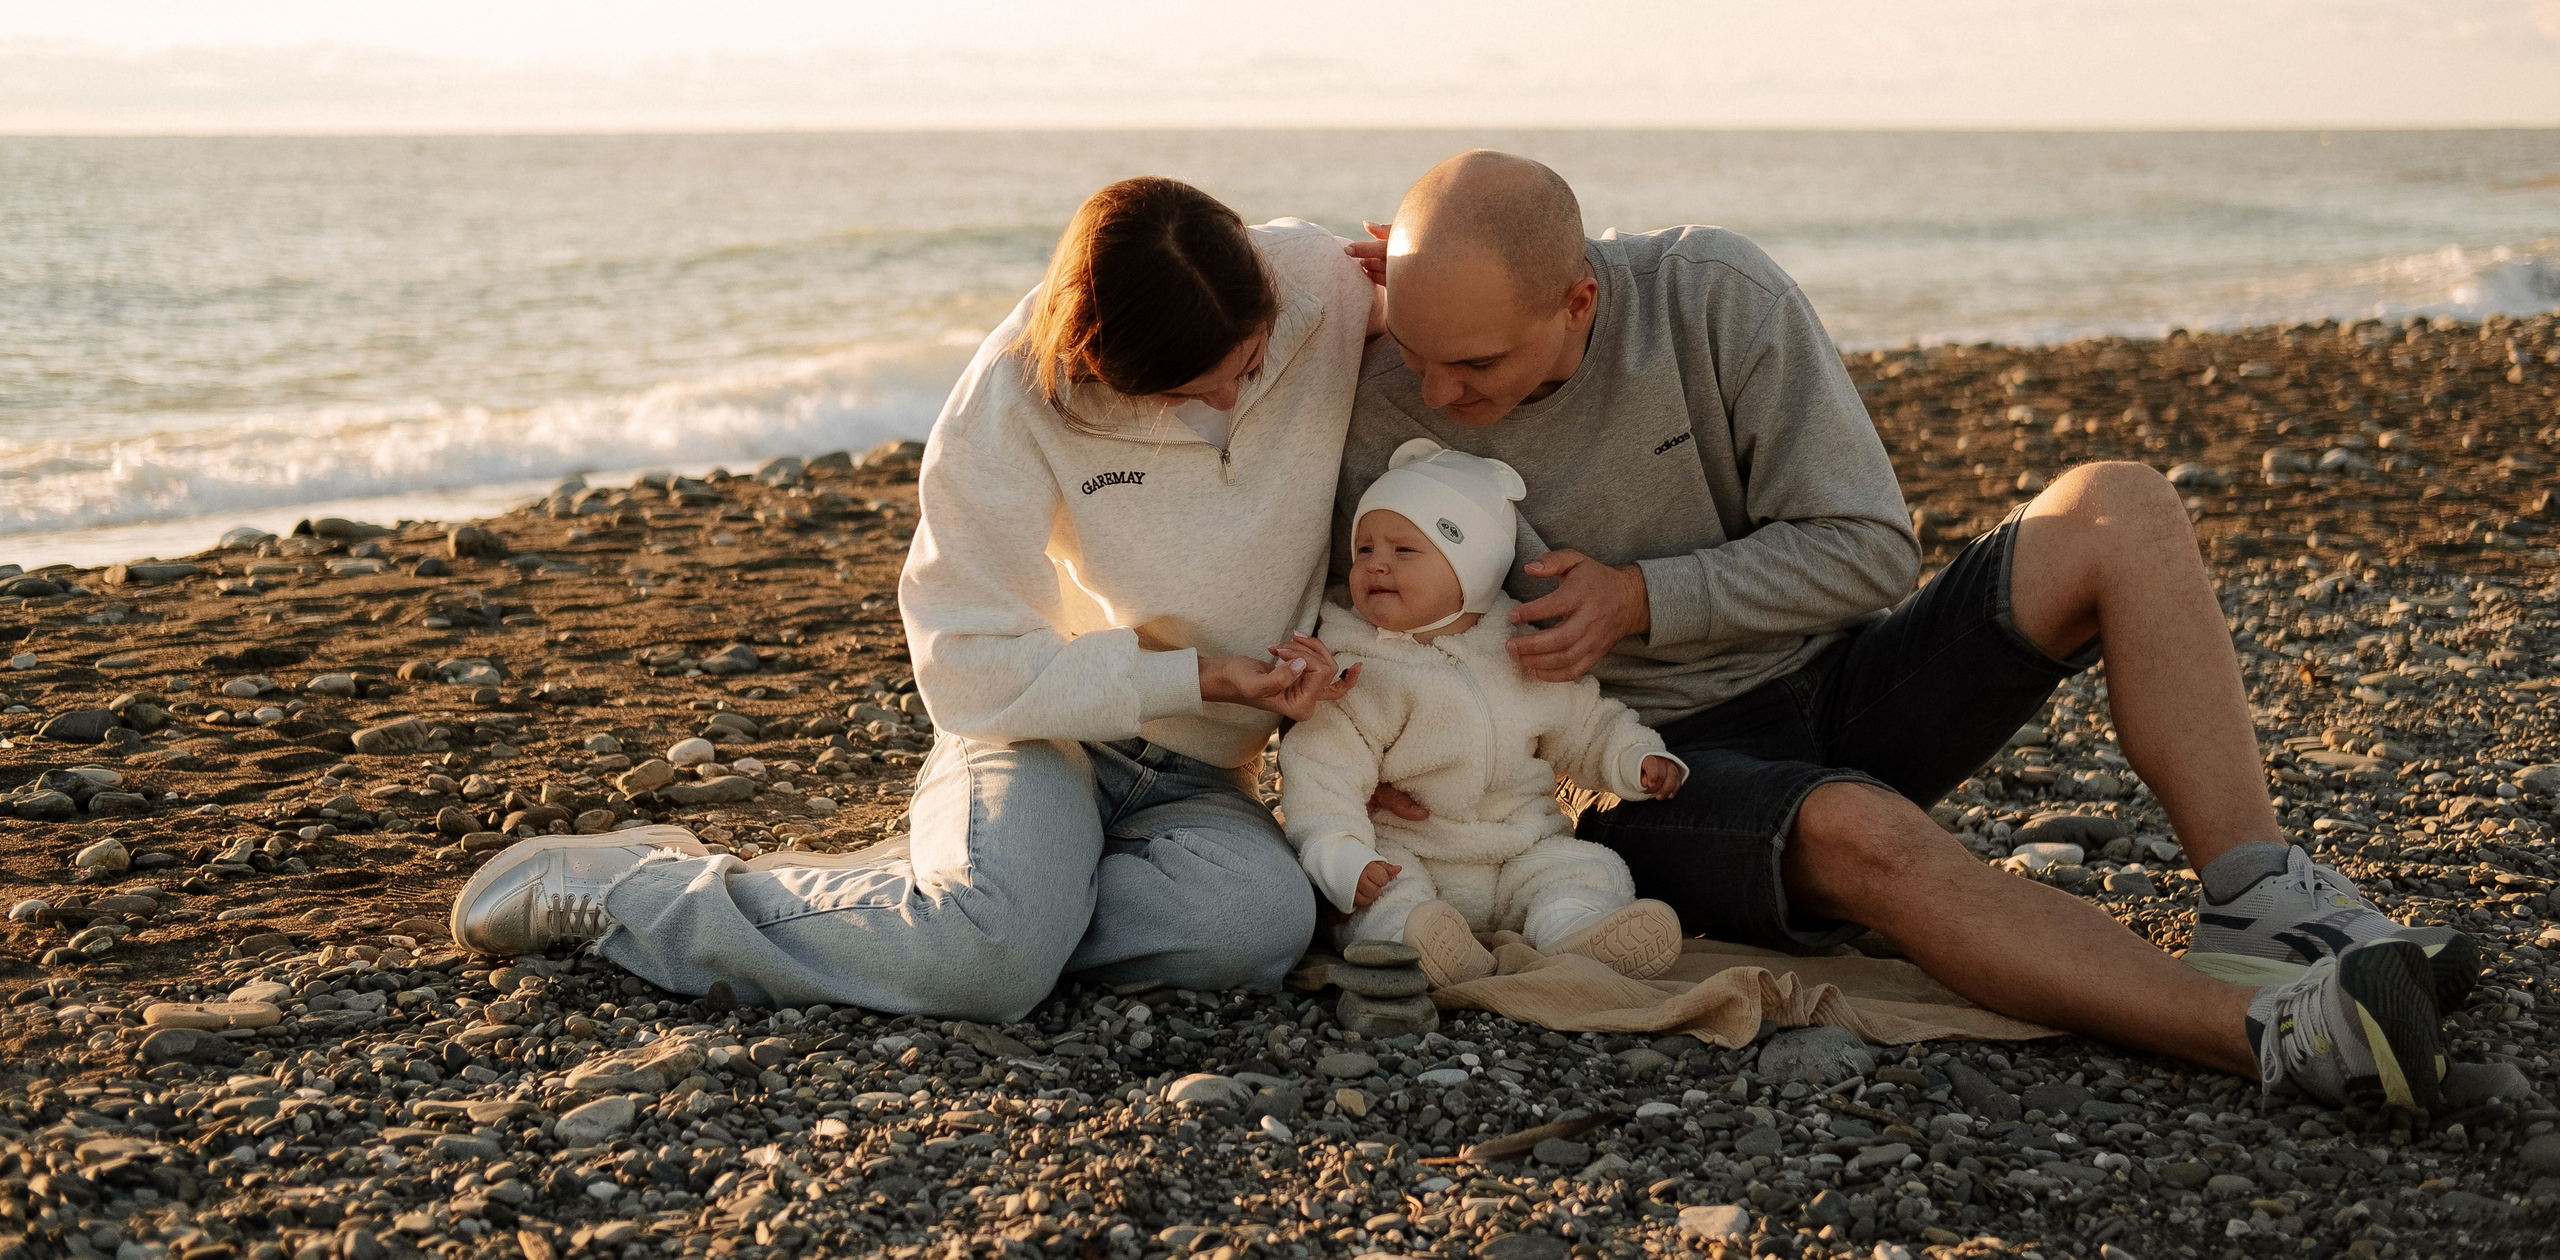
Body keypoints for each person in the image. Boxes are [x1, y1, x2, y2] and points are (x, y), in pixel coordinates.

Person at [1333, 149, 2468, 1111]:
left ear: (1578, 297)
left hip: (1839, 681)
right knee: (1868, 834)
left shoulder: (1710, 295)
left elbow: (1869, 548)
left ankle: (2259, 898)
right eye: (1418, 351)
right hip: (1645, 767)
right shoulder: (1387, 380)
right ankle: (2271, 1030)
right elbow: (1230, 330)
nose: (1433, 394)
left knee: (2117, 502)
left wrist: (1644, 595)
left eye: (1474, 362)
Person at [453, 177, 1377, 1022]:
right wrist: (1204, 677)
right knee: (989, 967)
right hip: (1042, 734)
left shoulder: (1320, 285)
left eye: (1248, 366)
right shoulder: (1019, 388)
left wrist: (1431, 275)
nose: (1225, 395)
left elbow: (1488, 331)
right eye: (1182, 392)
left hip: (1204, 776)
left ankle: (970, 901)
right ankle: (630, 889)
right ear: (1097, 361)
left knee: (1254, 930)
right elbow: (964, 665)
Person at [1278, 438, 1687, 986]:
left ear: (1473, 566)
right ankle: (1413, 941)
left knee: (1584, 868)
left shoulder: (1520, 648)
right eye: (1364, 551)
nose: (1376, 565)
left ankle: (1572, 928)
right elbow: (1321, 773)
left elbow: (1585, 723)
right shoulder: (1354, 671)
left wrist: (1634, 756)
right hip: (1409, 849)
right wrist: (1343, 857)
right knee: (1383, 899)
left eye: (1403, 551)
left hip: (1520, 842)